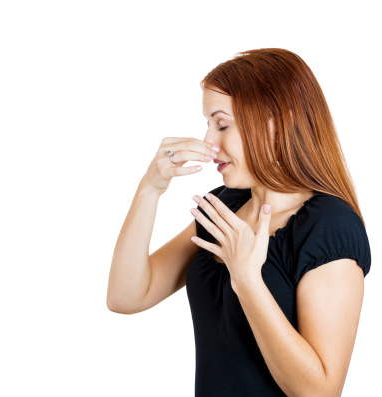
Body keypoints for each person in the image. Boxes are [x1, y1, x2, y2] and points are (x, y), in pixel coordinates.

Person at [106, 48, 371, 396]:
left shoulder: (328, 228)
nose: (208, 143)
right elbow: (126, 297)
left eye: (222, 124)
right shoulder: (222, 207)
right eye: (208, 125)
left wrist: (247, 280)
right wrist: (149, 189)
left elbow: (320, 391)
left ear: (276, 122)